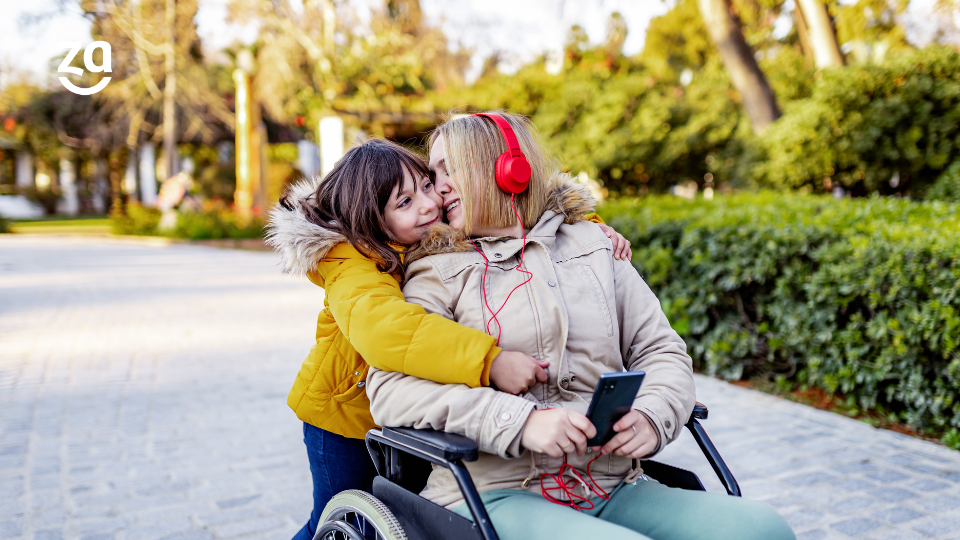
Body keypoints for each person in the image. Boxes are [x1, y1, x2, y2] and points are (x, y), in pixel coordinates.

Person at [366, 112, 795, 540]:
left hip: (609, 484)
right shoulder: (435, 271)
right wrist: (520, 422)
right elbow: (390, 389)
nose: (437, 190)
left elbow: (662, 350)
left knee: (763, 530)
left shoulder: (595, 247)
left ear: (507, 170)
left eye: (448, 170)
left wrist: (652, 415)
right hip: (490, 493)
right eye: (432, 174)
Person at [266, 138, 632, 540]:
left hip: (414, 415)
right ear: (370, 220)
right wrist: (489, 362)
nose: (428, 204)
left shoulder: (430, 235)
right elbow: (389, 331)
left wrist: (587, 229)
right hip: (343, 418)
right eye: (403, 203)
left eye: (426, 185)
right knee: (342, 522)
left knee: (408, 514)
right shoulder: (348, 262)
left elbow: (511, 215)